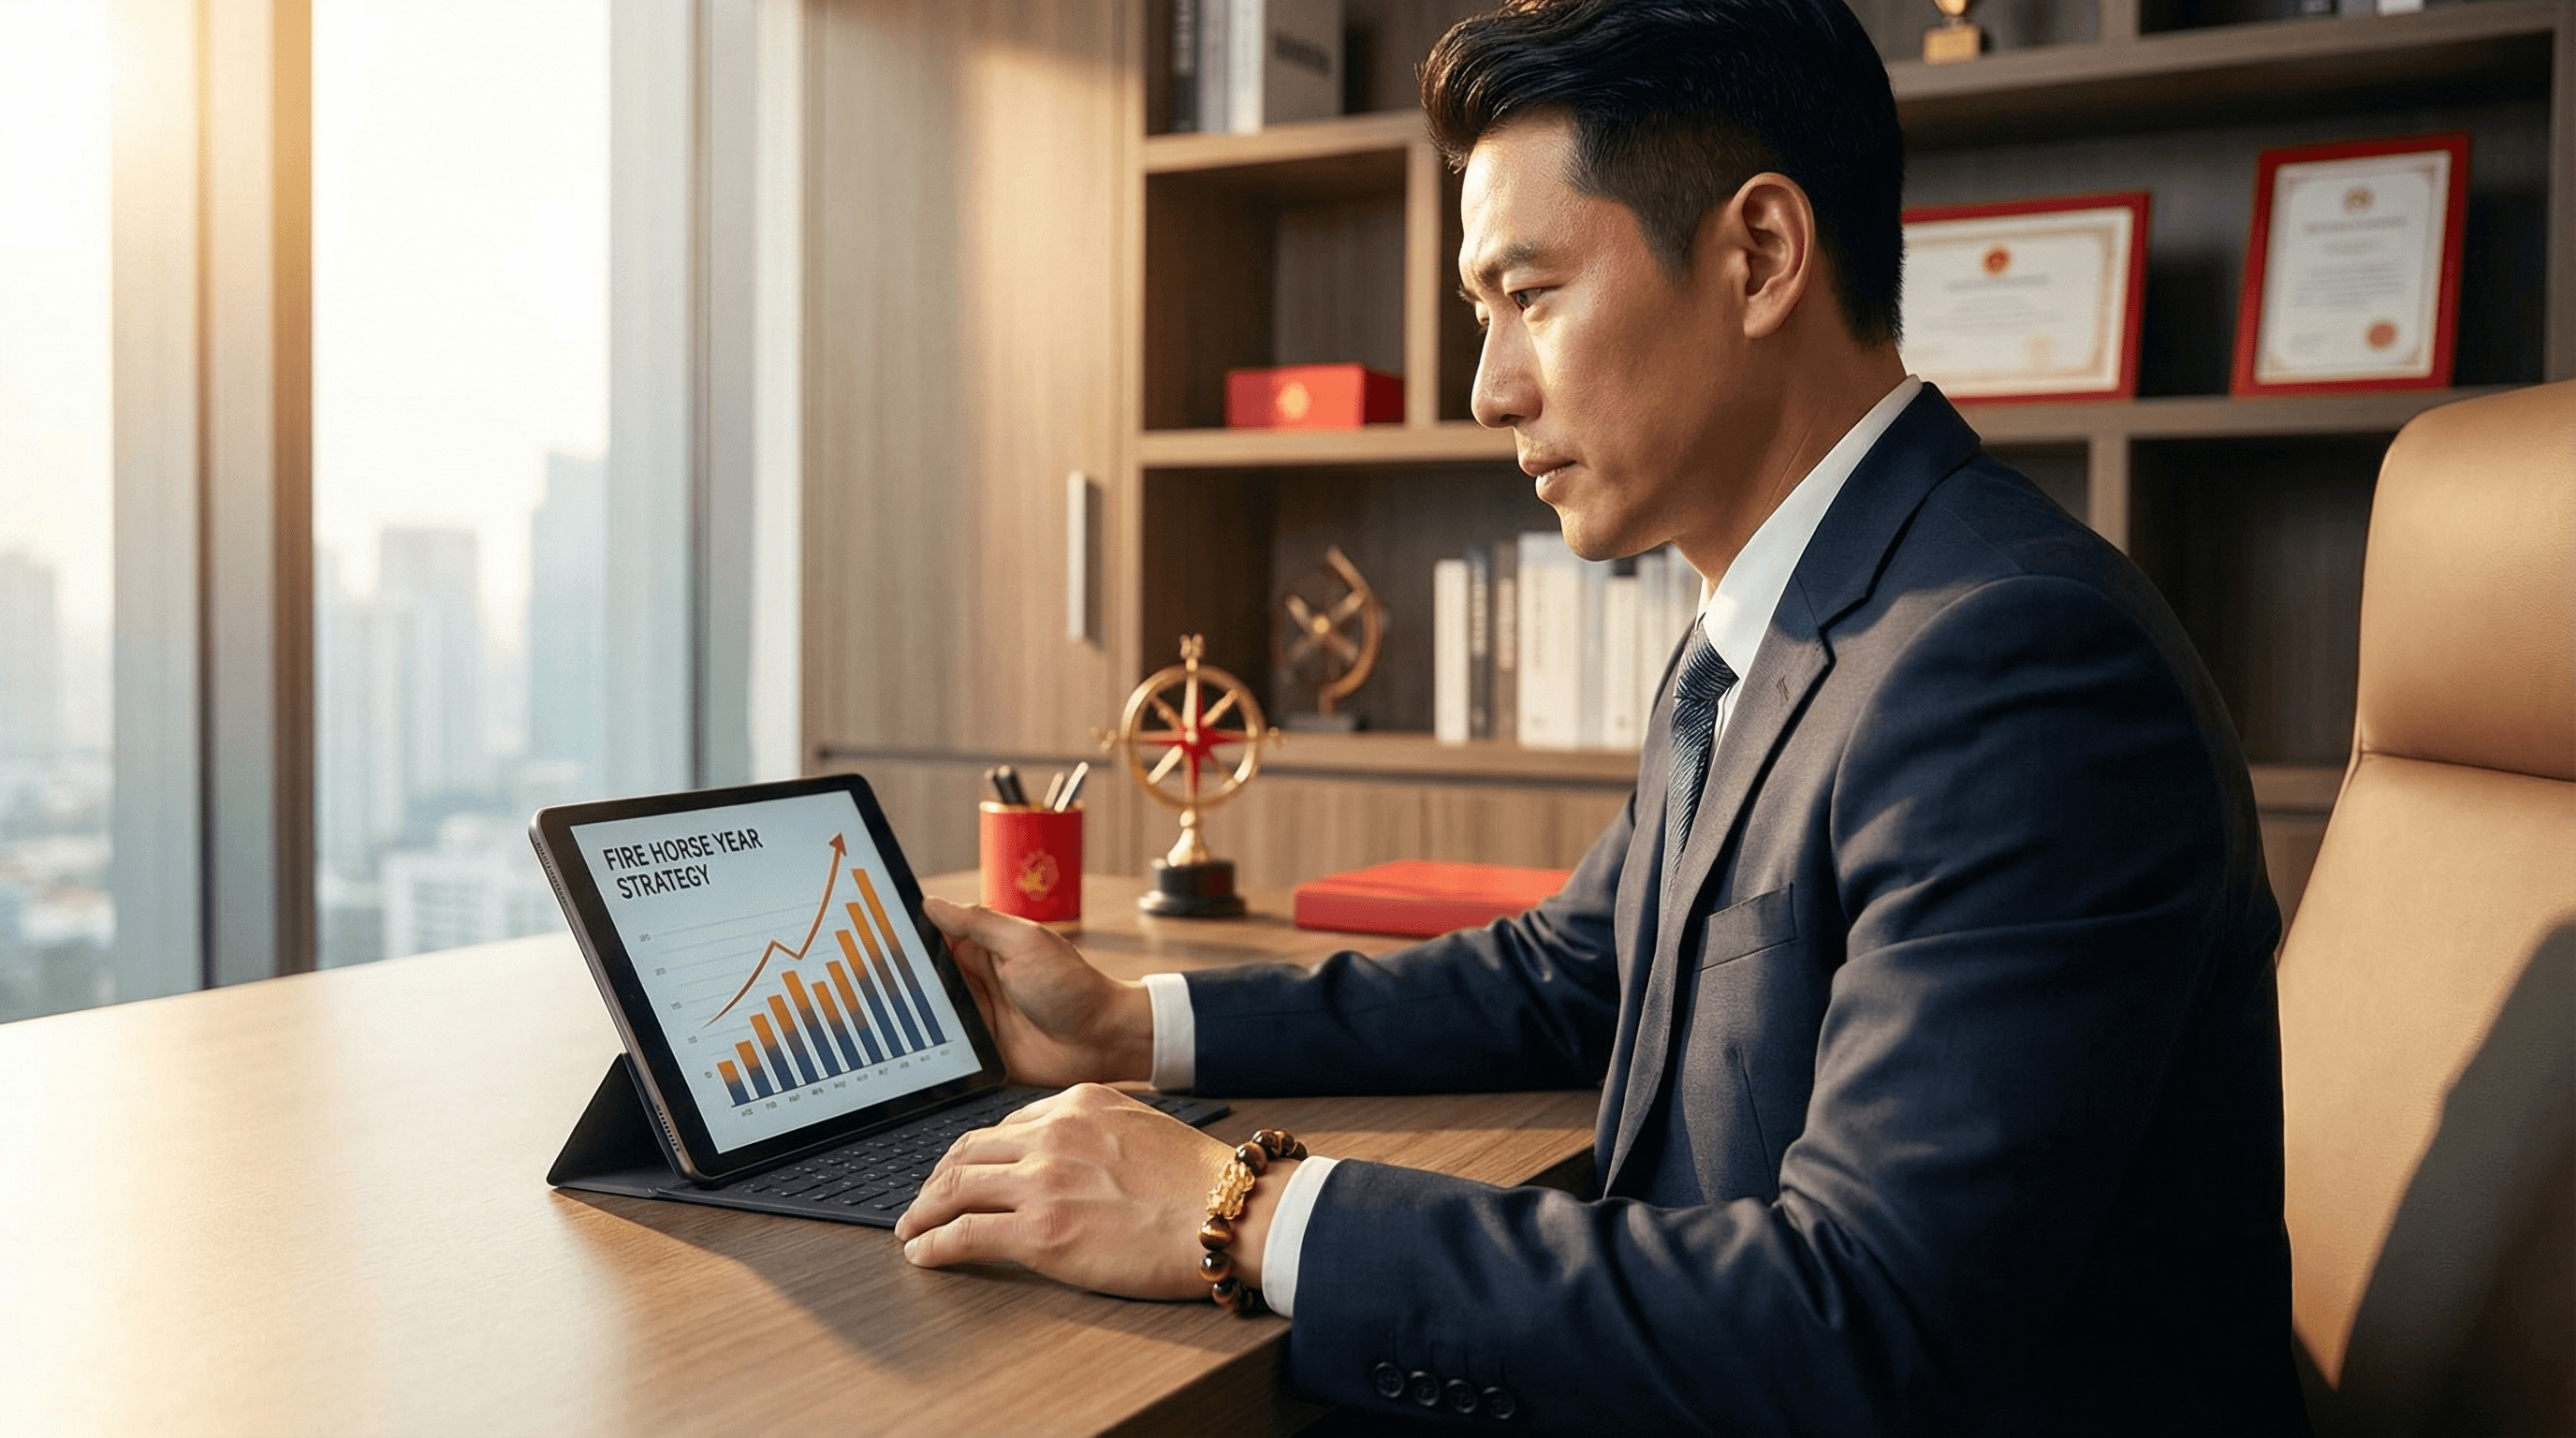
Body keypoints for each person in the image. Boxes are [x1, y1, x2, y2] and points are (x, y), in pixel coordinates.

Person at [896, 0, 2305, 1430]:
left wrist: (1241, 1205)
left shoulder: (2010, 663)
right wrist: (1130, 1026)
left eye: (1532, 294)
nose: (1489, 386)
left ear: (1758, 256)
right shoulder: (1777, 619)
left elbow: (1864, 1321)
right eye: (1479, 311)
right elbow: (1570, 974)